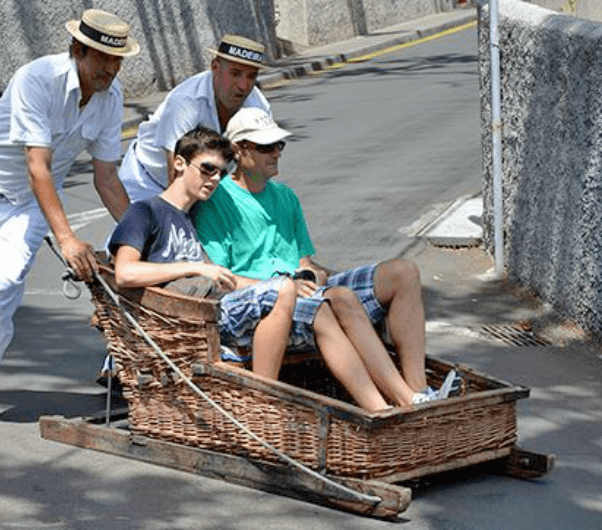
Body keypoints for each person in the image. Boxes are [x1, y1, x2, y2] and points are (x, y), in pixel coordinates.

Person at [0, 9, 139, 417]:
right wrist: (67, 238)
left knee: (3, 277)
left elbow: (108, 178)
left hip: (30, 203)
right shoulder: (36, 79)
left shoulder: (110, 100)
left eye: (118, 60)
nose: (112, 69)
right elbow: (36, 164)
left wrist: (141, 234)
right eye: (104, 58)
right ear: (78, 50)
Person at [193, 108, 449, 411]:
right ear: (238, 149)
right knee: (332, 301)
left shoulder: (285, 196)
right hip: (264, 299)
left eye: (279, 146)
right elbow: (223, 277)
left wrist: (311, 277)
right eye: (265, 147)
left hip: (299, 287)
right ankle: (385, 408)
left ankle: (417, 391)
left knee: (403, 272)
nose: (275, 153)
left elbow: (304, 262)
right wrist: (281, 286)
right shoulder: (216, 201)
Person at [108, 127, 296, 380]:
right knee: (283, 292)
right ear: (179, 163)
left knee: (302, 298)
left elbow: (221, 278)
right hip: (178, 323)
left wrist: (275, 286)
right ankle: (265, 393)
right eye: (207, 169)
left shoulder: (193, 219)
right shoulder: (145, 212)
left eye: (221, 173)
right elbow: (125, 273)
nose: (215, 179)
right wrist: (193, 267)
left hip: (207, 312)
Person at [118, 34, 272, 203]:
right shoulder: (186, 101)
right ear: (215, 67)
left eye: (251, 76)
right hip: (147, 180)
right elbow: (176, 177)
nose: (243, 85)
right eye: (235, 73)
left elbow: (258, 167)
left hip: (206, 180)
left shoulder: (258, 107)